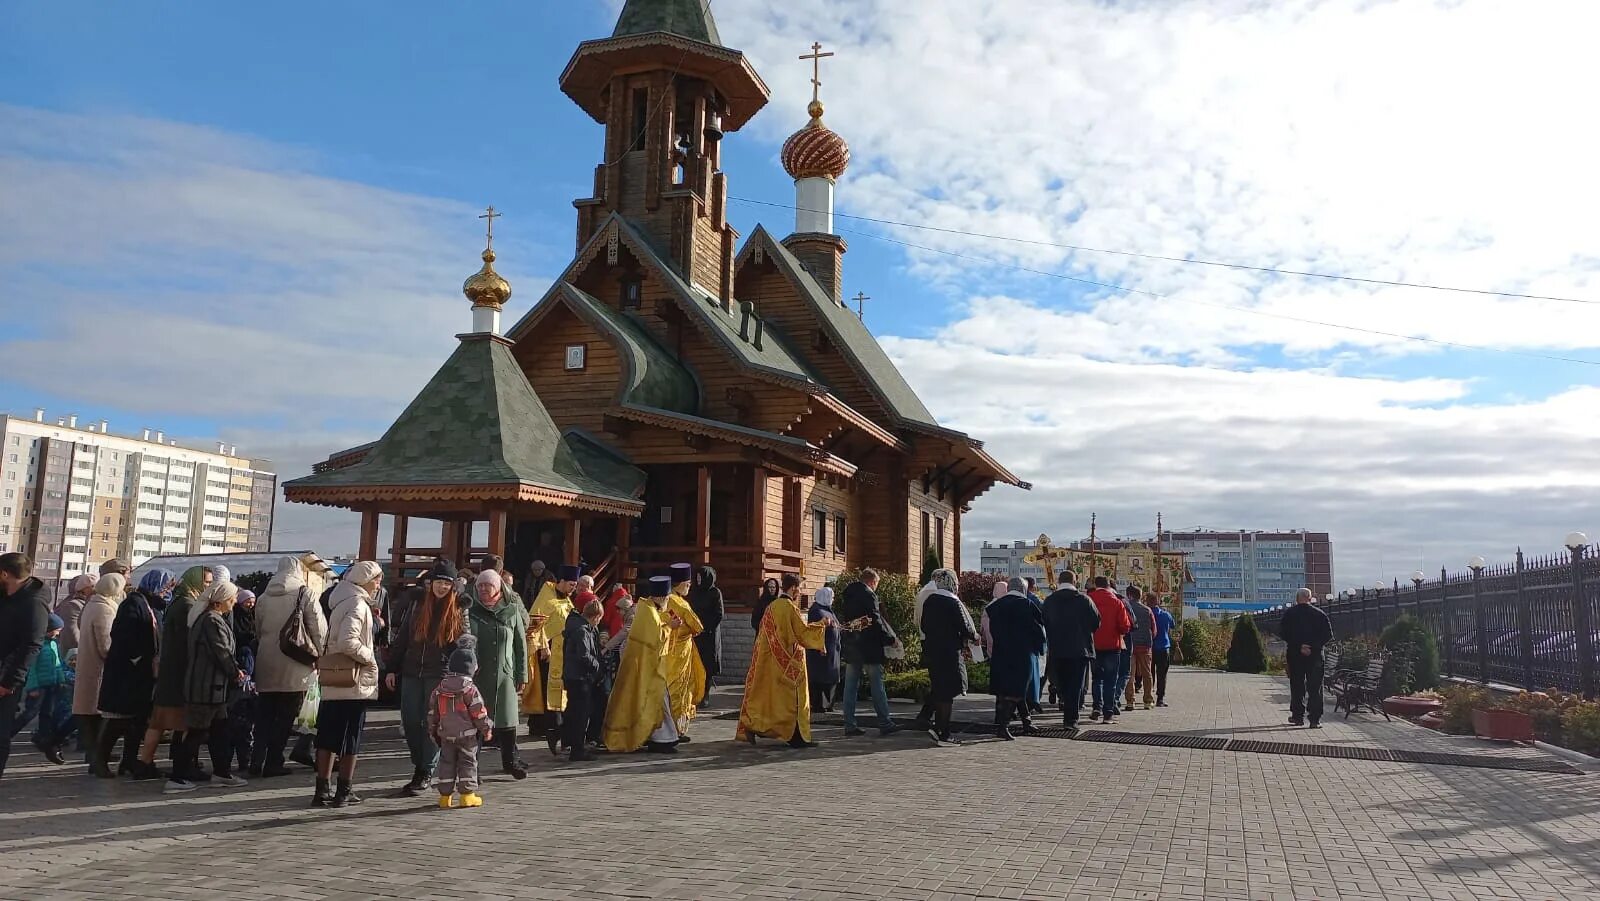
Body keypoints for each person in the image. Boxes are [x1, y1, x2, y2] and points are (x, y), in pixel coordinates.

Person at [387, 560, 467, 795]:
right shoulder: (417, 605)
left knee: (432, 724)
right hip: (412, 671)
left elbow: (465, 643)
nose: (442, 587)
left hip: (439, 674)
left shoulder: (458, 608)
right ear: (431, 583)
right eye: (439, 582)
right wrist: (392, 667)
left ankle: (425, 771)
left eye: (447, 583)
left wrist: (463, 670)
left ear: (452, 586)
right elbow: (403, 637)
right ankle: (419, 763)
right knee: (411, 721)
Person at [312, 559, 382, 807]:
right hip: (353, 680)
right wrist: (369, 656)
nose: (378, 584)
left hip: (334, 677)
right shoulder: (357, 604)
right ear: (365, 580)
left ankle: (322, 789)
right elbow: (348, 641)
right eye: (376, 579)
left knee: (328, 733)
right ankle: (344, 790)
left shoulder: (339, 600)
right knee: (351, 735)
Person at [250, 556, 328, 778]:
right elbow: (318, 629)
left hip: (266, 661)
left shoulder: (263, 597)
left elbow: (258, 628)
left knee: (264, 715)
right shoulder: (305, 594)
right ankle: (274, 761)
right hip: (297, 661)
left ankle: (256, 760)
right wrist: (321, 655)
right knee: (285, 716)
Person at [138, 565, 213, 788]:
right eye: (206, 582)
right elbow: (191, 641)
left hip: (169, 669)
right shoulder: (189, 605)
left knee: (159, 721)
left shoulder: (176, 603)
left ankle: (145, 763)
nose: (208, 586)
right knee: (181, 722)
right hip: (181, 671)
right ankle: (182, 766)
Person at [737, 571, 830, 749]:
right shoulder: (789, 608)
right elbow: (801, 633)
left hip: (771, 660)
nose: (800, 592)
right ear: (793, 588)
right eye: (800, 588)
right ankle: (797, 736)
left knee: (773, 700)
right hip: (789, 662)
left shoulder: (772, 606)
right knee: (794, 701)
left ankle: (756, 726)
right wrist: (822, 624)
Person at [176, 581, 247, 793]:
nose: (234, 602)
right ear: (221, 601)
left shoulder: (213, 618)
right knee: (197, 732)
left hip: (215, 689)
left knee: (219, 732)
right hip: (205, 687)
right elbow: (221, 652)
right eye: (232, 598)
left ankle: (222, 772)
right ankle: (177, 777)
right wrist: (235, 672)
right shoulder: (210, 620)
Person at [97, 570, 166, 779]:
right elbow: (123, 635)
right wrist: (138, 656)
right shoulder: (133, 603)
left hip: (142, 673)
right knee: (119, 720)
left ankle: (129, 760)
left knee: (136, 721)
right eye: (165, 586)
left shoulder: (149, 605)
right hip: (127, 671)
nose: (166, 591)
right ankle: (99, 761)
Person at [602, 576, 680, 754]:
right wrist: (671, 627)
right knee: (656, 703)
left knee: (659, 702)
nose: (668, 601)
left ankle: (662, 737)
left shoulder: (648, 608)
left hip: (647, 667)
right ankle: (662, 739)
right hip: (646, 669)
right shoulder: (649, 613)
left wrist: (667, 624)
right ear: (661, 597)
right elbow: (655, 641)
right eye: (667, 597)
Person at [466, 569, 529, 778]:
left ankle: (511, 762)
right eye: (480, 585)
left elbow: (520, 645)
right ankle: (471, 769)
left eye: (488, 585)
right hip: (478, 677)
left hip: (505, 676)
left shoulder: (511, 610)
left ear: (498, 587)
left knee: (508, 721)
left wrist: (522, 675)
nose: (483, 589)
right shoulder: (470, 611)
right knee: (476, 723)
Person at [0, 553, 50, 779]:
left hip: (5, 677)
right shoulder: (7, 595)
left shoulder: (33, 602)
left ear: (4, 574)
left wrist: (9, 681)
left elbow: (31, 645)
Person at [428, 638, 493, 808]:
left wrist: (432, 730)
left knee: (447, 764)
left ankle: (445, 797)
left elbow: (432, 713)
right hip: (467, 735)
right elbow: (479, 712)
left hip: (446, 734)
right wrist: (486, 729)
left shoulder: (439, 688)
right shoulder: (470, 690)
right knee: (468, 763)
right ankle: (467, 795)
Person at [836, 569, 901, 737]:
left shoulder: (848, 594)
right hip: (869, 647)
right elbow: (876, 620)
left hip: (852, 645)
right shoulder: (869, 595)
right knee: (877, 685)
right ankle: (885, 722)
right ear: (872, 582)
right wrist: (890, 639)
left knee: (850, 686)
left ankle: (849, 724)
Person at [527, 564, 581, 755]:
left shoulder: (567, 601)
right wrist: (543, 646)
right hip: (548, 655)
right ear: (562, 582)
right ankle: (552, 731)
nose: (573, 588)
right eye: (571, 584)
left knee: (563, 693)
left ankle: (561, 734)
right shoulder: (546, 598)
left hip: (565, 653)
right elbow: (533, 624)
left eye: (575, 585)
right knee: (549, 693)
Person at [919, 569, 977, 745]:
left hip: (932, 651)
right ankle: (944, 733)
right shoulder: (953, 603)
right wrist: (974, 637)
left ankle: (937, 727)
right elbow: (965, 627)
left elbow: (924, 625)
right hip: (950, 652)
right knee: (948, 693)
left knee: (939, 690)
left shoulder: (930, 600)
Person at [74, 572, 123, 776]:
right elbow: (106, 646)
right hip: (97, 672)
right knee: (97, 720)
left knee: (90, 720)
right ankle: (97, 763)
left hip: (88, 669)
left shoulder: (93, 604)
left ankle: (95, 761)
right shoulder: (104, 609)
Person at [987, 577, 1047, 740]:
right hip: (1022, 653)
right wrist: (1041, 648)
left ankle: (1026, 721)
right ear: (1023, 589)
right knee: (1017, 690)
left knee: (1008, 689)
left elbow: (992, 629)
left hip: (1001, 652)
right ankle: (1003, 726)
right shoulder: (1027, 605)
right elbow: (1037, 629)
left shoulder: (995, 606)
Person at [1041, 570, 1100, 735]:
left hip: (1057, 649)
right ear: (1075, 581)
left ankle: (1062, 701)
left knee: (1061, 683)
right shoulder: (1084, 600)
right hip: (1079, 650)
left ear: (1059, 581)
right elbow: (1096, 622)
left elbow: (1042, 622)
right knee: (1075, 685)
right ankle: (1071, 720)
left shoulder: (1050, 601)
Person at [12, 613, 73, 764]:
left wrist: (61, 680)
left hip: (51, 685)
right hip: (39, 686)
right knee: (30, 713)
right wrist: (32, 687)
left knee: (48, 713)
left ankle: (44, 739)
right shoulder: (37, 645)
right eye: (57, 629)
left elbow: (57, 665)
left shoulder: (53, 644)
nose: (59, 633)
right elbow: (31, 669)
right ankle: (8, 733)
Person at [1279, 588, 1334, 728]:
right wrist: (1312, 647)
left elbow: (1283, 633)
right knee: (1315, 687)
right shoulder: (1320, 614)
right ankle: (1314, 720)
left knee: (1297, 685)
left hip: (1295, 655)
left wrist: (1299, 646)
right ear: (1310, 598)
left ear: (1297, 599)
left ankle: (1298, 717)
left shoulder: (1289, 614)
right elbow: (1327, 635)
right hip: (1315, 656)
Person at [562, 598, 605, 761]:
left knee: (574, 712)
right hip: (580, 677)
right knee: (580, 714)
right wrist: (597, 667)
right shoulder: (582, 630)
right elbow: (584, 655)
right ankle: (576, 749)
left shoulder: (580, 627)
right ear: (595, 616)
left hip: (574, 676)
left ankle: (567, 739)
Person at [1088, 576, 1132, 725]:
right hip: (1113, 645)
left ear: (1096, 585)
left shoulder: (1088, 599)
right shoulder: (1117, 602)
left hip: (1093, 645)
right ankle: (1108, 714)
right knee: (1110, 681)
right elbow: (1125, 626)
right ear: (1109, 586)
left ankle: (1096, 707)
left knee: (1096, 678)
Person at [688, 565, 724, 707]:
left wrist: (705, 627)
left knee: (707, 665)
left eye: (700, 577)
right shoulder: (694, 592)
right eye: (696, 577)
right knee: (696, 664)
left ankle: (705, 695)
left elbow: (719, 613)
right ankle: (695, 693)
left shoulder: (715, 592)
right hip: (696, 634)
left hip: (709, 634)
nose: (698, 580)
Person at [804, 586, 841, 714]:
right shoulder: (816, 610)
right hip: (820, 652)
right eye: (831, 596)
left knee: (830, 678)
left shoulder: (828, 609)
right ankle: (818, 705)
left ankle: (829, 704)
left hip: (832, 651)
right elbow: (815, 628)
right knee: (819, 678)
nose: (833, 599)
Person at [1124, 586, 1157, 712]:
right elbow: (1154, 630)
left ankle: (1130, 702)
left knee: (1130, 674)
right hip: (1145, 645)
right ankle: (1148, 701)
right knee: (1147, 673)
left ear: (1130, 595)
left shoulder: (1126, 607)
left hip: (1130, 645)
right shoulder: (1147, 610)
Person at [55, 574, 97, 656]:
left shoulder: (87, 603)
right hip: (74, 655)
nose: (95, 589)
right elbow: (73, 635)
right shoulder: (73, 605)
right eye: (92, 586)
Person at [1152, 600, 1175, 707]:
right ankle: (1160, 698)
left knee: (1148, 673)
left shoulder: (1147, 613)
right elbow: (1173, 625)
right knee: (1162, 674)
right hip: (1164, 647)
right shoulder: (1166, 614)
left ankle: (1148, 696)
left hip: (1150, 647)